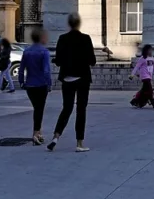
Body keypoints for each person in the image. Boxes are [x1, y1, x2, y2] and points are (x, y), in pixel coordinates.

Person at [48, 13, 96, 152]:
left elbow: (58, 60)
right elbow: (92, 60)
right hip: (82, 78)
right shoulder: (85, 38)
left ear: (69, 24)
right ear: (79, 24)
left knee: (66, 108)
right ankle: (79, 143)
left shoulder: (62, 38)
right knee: (81, 110)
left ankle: (56, 137)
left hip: (67, 78)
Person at [18, 28, 51, 145]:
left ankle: (38, 132)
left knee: (37, 108)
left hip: (30, 84)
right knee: (39, 109)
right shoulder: (44, 52)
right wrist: (49, 83)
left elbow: (21, 69)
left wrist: (21, 82)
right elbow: (46, 70)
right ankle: (36, 133)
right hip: (41, 84)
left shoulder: (26, 52)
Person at [129, 44, 154, 109]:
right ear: (146, 51)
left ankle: (136, 102)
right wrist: (132, 75)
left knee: (144, 91)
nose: (151, 51)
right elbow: (137, 67)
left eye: (151, 50)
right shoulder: (142, 58)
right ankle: (153, 104)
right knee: (150, 90)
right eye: (150, 50)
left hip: (149, 76)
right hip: (144, 76)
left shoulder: (152, 58)